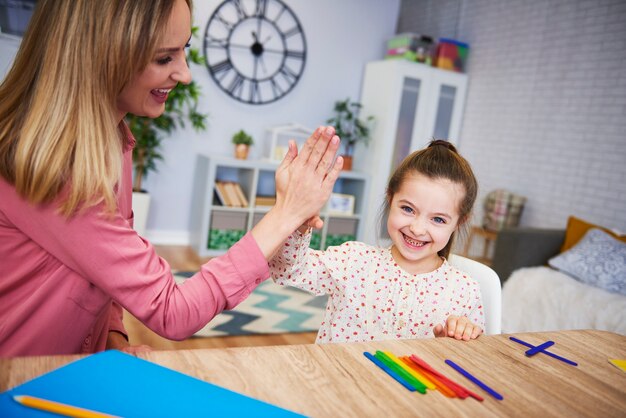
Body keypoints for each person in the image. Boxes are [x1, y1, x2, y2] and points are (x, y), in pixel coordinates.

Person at [0, 0, 343, 356]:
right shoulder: (55, 168)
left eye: (184, 51)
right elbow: (173, 309)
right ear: (103, 55)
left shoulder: (112, 141)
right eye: (164, 58)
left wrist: (114, 340)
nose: (185, 73)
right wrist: (285, 213)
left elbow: (107, 271)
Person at [270, 140, 484, 343]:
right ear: (390, 198)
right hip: (335, 379)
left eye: (438, 219)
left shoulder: (465, 291)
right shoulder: (353, 261)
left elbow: (468, 364)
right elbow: (287, 270)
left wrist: (453, 344)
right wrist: (297, 221)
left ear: (459, 222)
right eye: (408, 209)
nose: (417, 229)